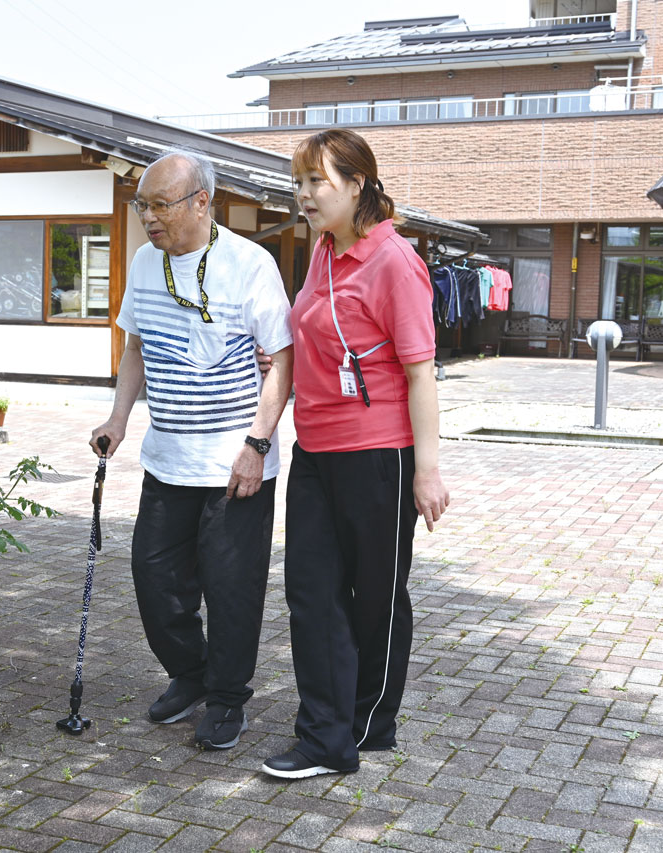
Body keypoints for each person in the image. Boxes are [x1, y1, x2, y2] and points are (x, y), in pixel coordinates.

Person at [260, 129, 450, 779]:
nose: (304, 194)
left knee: (375, 598)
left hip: (379, 454)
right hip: (315, 452)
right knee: (312, 594)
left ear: (358, 184)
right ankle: (325, 738)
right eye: (300, 182)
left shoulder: (394, 261)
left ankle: (371, 722)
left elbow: (420, 372)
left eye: (318, 181)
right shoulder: (321, 251)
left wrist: (426, 469)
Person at [90, 149, 293, 750]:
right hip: (167, 457)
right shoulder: (145, 263)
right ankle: (191, 673)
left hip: (236, 462)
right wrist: (119, 417)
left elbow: (281, 360)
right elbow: (135, 347)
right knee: (154, 575)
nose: (148, 217)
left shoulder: (249, 264)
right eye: (142, 205)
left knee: (233, 587)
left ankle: (228, 699)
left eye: (159, 204)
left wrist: (257, 444)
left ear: (201, 202)